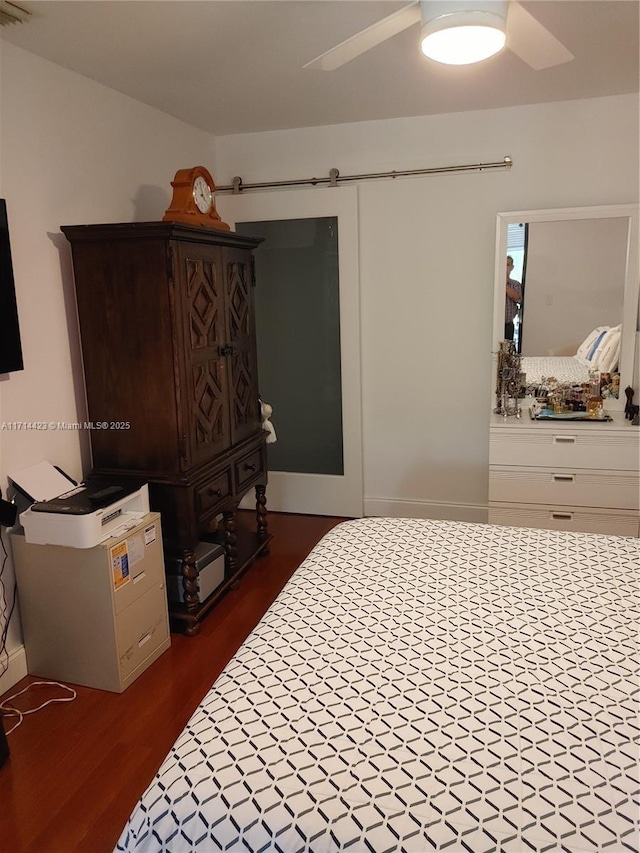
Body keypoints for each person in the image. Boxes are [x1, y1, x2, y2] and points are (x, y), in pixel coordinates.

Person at [505, 255, 522, 341]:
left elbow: (516, 298)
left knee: (508, 351)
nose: (505, 267)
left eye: (507, 265)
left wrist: (504, 284)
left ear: (512, 267)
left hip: (508, 325)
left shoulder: (515, 284)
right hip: (492, 326)